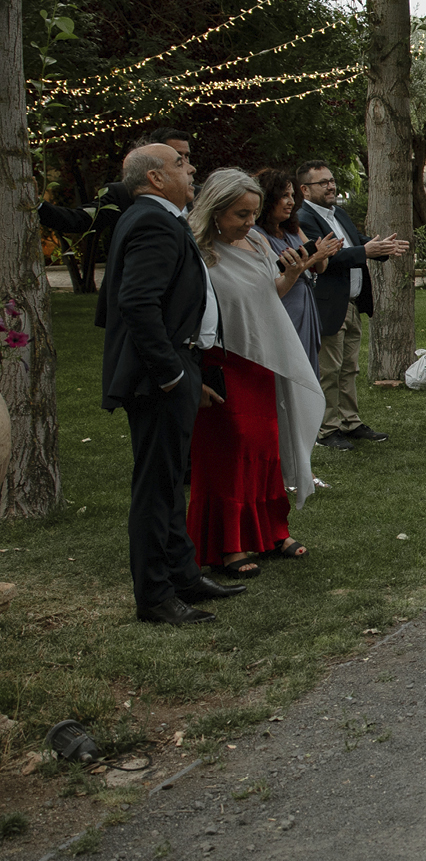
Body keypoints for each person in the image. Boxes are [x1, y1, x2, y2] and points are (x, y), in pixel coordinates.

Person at [98, 144, 246, 625]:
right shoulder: (151, 220)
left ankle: (184, 576)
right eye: (181, 164)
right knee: (156, 489)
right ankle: (156, 596)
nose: (192, 168)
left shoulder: (160, 217)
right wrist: (172, 373)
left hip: (178, 366)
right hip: (158, 378)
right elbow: (136, 304)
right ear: (156, 179)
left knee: (170, 482)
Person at [187, 168, 327, 577]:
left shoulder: (255, 241)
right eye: (240, 215)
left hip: (262, 361)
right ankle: (229, 544)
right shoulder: (198, 251)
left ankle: (272, 531)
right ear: (215, 212)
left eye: (253, 213)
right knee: (231, 454)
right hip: (222, 364)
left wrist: (293, 273)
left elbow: (270, 294)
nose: (250, 222)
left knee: (266, 450)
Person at [297, 161, 408, 451]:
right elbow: (325, 260)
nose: (331, 186)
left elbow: (358, 243)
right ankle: (326, 429)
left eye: (331, 180)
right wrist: (364, 250)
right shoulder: (304, 219)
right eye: (323, 182)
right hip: (327, 304)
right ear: (305, 189)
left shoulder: (339, 214)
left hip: (352, 302)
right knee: (329, 370)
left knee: (349, 368)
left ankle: (350, 421)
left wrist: (381, 247)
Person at [255, 167, 339, 375]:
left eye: (292, 195)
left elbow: (321, 266)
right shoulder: (257, 234)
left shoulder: (292, 228)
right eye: (284, 196)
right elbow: (276, 273)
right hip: (285, 302)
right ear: (268, 198)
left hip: (305, 300)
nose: (291, 202)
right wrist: (315, 257)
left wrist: (319, 257)